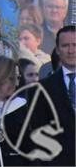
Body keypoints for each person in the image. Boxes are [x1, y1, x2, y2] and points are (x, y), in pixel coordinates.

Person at [31, 25, 75, 167]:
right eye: (65, 45)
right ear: (57, 49)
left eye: (75, 45)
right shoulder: (42, 89)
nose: (71, 50)